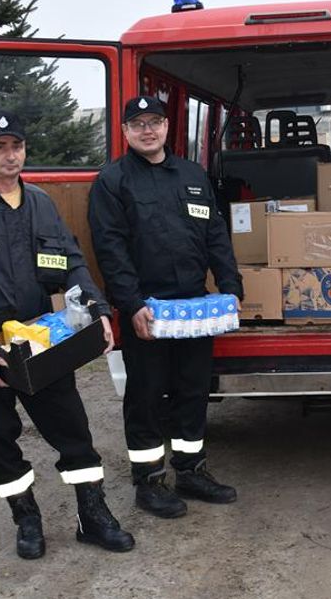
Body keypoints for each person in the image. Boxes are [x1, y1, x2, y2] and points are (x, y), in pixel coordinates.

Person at [0, 110, 134, 559]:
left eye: (17, 146)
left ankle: (93, 515)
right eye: (0, 147)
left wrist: (98, 311)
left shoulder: (42, 204)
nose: (10, 155)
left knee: (72, 429)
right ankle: (26, 518)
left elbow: (72, 262)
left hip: (40, 339)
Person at [88, 95, 244, 519]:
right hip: (147, 312)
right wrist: (131, 304)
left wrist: (230, 286)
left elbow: (215, 234)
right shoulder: (113, 181)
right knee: (146, 396)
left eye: (154, 122)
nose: (148, 130)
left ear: (166, 127)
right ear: (125, 131)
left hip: (193, 310)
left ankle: (191, 471)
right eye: (138, 124)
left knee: (193, 392)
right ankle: (149, 482)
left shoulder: (192, 176)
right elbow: (110, 249)